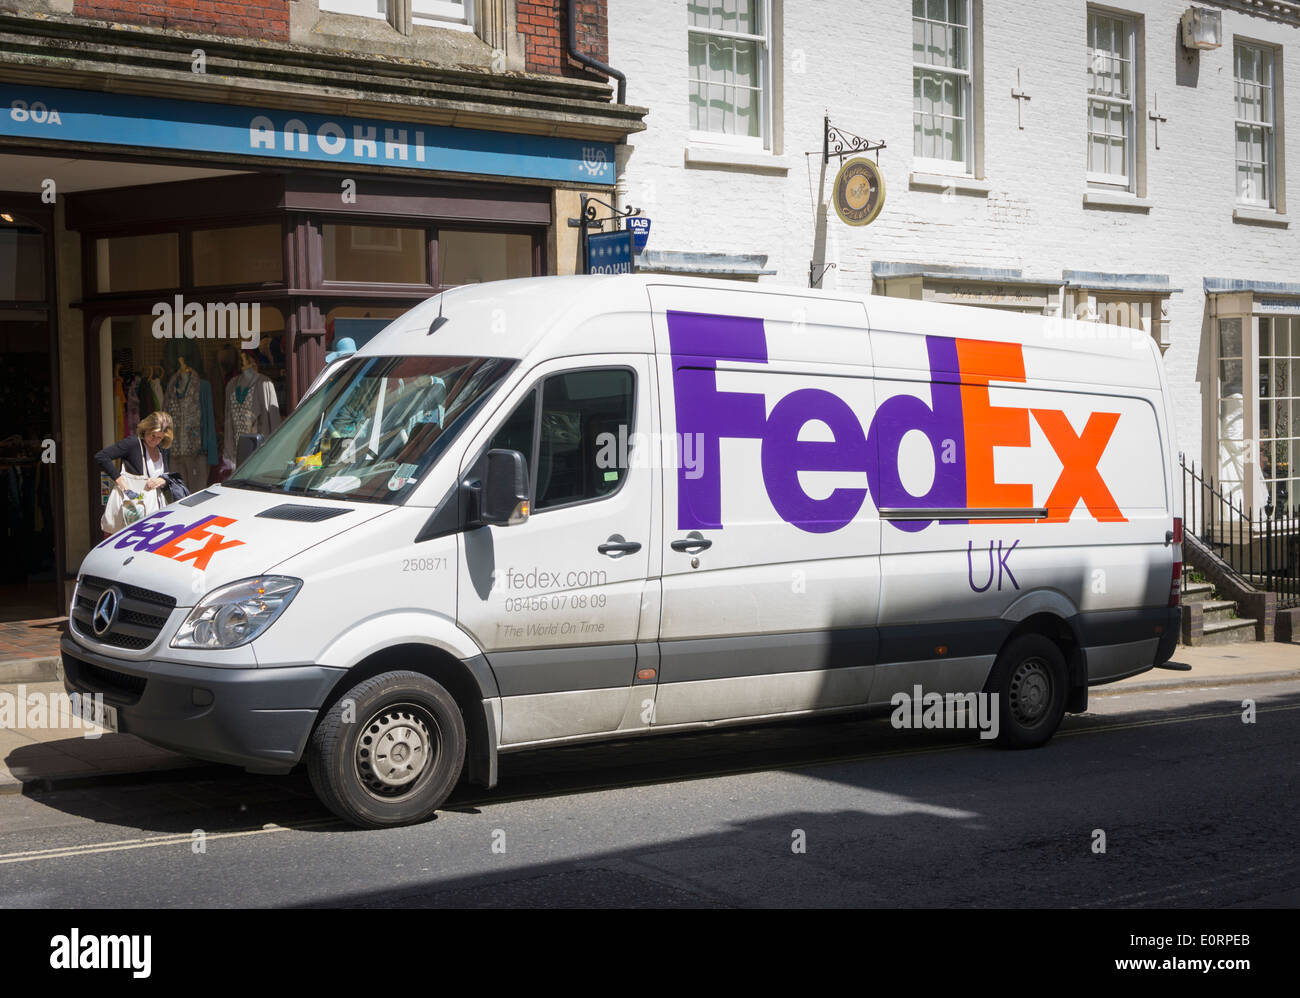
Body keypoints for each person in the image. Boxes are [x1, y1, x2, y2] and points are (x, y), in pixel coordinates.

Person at [94, 411, 174, 516]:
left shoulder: (160, 449)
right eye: (152, 435)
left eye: (159, 438)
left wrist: (162, 480)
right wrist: (121, 482)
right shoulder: (133, 444)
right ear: (146, 428)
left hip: (157, 507)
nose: (154, 440)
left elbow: (166, 477)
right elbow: (102, 456)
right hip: (136, 508)